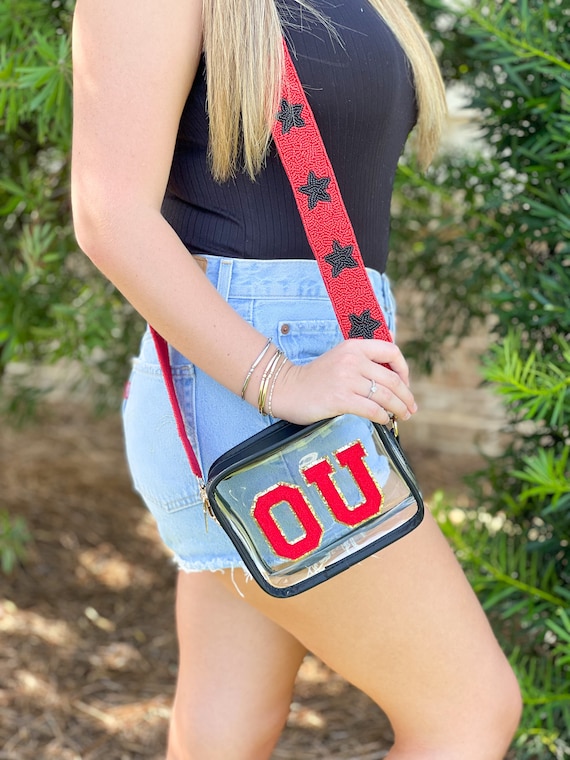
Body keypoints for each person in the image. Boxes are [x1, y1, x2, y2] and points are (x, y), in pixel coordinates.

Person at [70, 0, 522, 757]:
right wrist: (278, 382)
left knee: (229, 727)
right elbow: (108, 213)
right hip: (252, 386)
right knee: (467, 711)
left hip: (294, 378)